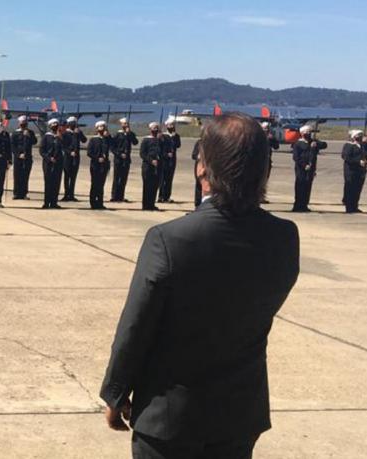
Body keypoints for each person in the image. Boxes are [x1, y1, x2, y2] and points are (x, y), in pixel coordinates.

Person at [101, 112, 300, 459]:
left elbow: (136, 326)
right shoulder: (284, 237)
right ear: (264, 172)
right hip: (239, 414)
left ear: (201, 169)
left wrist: (115, 395)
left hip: (169, 417)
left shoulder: (169, 238)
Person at [291, 125, 327, 212]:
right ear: (302, 133)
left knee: (308, 187)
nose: (309, 134)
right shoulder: (298, 143)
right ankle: (298, 205)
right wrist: (304, 165)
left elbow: (324, 145)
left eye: (310, 132)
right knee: (300, 186)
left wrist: (316, 144)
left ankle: (304, 205)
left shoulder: (312, 142)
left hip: (311, 168)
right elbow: (296, 157)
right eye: (307, 132)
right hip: (301, 168)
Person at [87, 120, 112, 210]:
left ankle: (100, 202)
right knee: (95, 183)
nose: (102, 128)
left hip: (104, 165)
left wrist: (108, 136)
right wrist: (97, 158)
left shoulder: (106, 139)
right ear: (97, 128)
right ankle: (93, 202)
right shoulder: (93, 139)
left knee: (101, 184)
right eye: (100, 127)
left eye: (104, 126)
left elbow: (112, 145)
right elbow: (89, 152)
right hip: (95, 164)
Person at [39, 118, 64, 209]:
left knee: (56, 183)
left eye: (56, 124)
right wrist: (49, 158)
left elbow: (65, 147)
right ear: (50, 126)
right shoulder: (46, 136)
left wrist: (60, 137)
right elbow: (42, 150)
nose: (55, 126)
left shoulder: (60, 136)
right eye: (53, 124)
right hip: (48, 163)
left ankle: (54, 202)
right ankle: (46, 202)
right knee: (48, 182)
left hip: (58, 162)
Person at [111, 118, 137, 202]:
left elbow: (135, 142)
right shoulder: (118, 134)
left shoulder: (130, 134)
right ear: (121, 125)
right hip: (118, 159)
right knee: (116, 178)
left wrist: (129, 133)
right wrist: (119, 154)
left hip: (126, 159)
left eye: (127, 123)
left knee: (123, 178)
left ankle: (121, 196)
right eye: (124, 124)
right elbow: (112, 147)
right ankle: (114, 196)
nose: (126, 125)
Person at [61, 116, 87, 201]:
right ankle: (66, 194)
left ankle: (71, 194)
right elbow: (63, 146)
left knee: (73, 176)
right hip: (67, 157)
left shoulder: (77, 133)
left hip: (76, 157)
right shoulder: (65, 133)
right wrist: (69, 152)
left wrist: (79, 133)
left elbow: (84, 140)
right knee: (67, 176)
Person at [11, 115, 37, 199]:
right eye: (22, 123)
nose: (23, 125)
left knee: (25, 176)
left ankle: (24, 193)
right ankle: (16, 193)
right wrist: (18, 154)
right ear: (19, 123)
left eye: (25, 123)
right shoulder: (15, 133)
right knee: (17, 175)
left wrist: (29, 135)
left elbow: (35, 142)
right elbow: (12, 146)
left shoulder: (30, 132)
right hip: (18, 157)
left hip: (27, 157)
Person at [139, 122, 163, 211]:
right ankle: (145, 205)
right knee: (147, 186)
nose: (155, 130)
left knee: (155, 186)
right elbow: (142, 153)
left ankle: (151, 204)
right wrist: (151, 160)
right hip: (147, 166)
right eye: (154, 128)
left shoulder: (160, 140)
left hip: (158, 166)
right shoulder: (146, 140)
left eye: (157, 128)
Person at [341, 130, 366, 213]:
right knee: (350, 189)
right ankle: (349, 207)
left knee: (357, 189)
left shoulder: (362, 146)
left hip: (361, 171)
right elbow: (346, 157)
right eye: (359, 135)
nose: (361, 137)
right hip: (351, 171)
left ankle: (355, 206)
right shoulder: (349, 145)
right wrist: (358, 161)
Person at [158, 120, 181, 203]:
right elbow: (160, 148)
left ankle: (167, 196)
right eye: (170, 125)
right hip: (164, 160)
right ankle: (161, 196)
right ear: (167, 126)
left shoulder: (176, 136)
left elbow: (178, 145)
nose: (171, 127)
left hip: (172, 160)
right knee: (162, 179)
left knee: (169, 179)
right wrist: (166, 154)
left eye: (173, 125)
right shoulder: (163, 136)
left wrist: (174, 137)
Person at [191, 138, 202, 208]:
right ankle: (197, 204)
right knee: (198, 185)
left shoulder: (212, 142)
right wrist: (197, 156)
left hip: (209, 167)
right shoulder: (199, 143)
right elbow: (193, 155)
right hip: (199, 166)